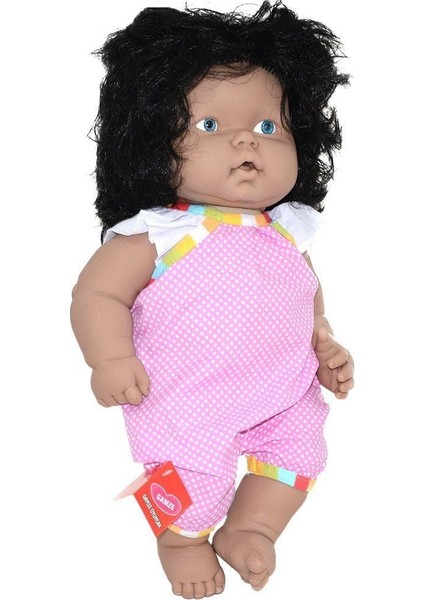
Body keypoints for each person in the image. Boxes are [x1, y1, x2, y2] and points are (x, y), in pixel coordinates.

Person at [71, 3, 354, 598]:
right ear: (150, 142)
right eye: (209, 125)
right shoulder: (158, 233)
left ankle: (252, 528)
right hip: (188, 397)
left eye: (270, 128)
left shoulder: (287, 232)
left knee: (301, 454)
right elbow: (97, 292)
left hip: (283, 389)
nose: (247, 139)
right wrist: (110, 358)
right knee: (187, 486)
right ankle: (180, 541)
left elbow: (307, 296)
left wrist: (323, 341)